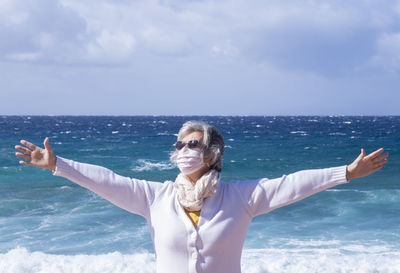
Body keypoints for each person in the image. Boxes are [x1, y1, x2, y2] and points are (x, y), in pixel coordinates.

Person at [15, 120, 388, 273]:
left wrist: (346, 173)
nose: (185, 150)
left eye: (194, 144)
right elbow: (107, 180)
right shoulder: (154, 198)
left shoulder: (241, 197)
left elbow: (292, 183)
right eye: (180, 144)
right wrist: (56, 164)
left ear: (211, 154)